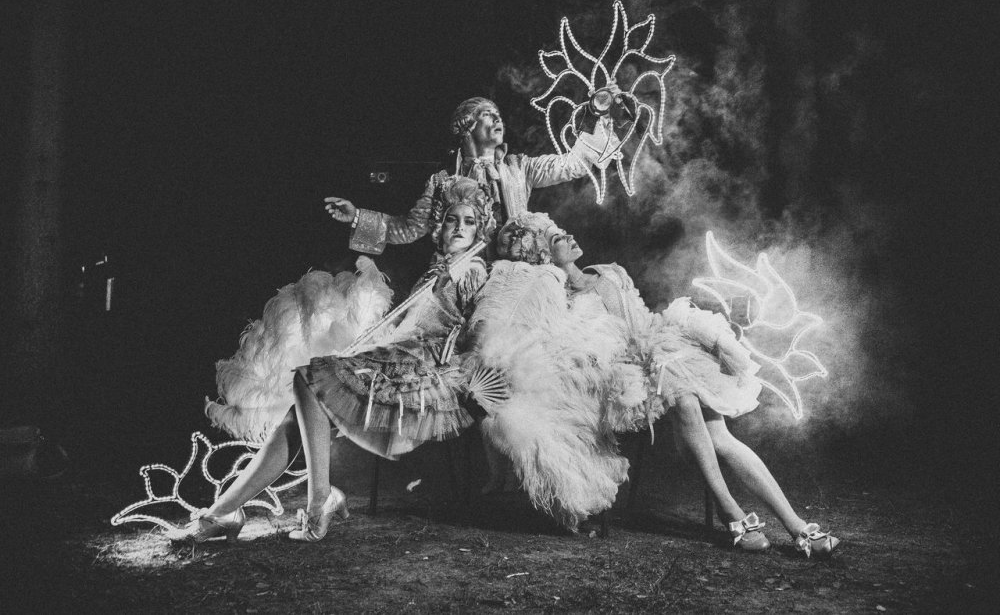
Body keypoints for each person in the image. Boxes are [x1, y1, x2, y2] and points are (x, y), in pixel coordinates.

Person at [493, 212, 840, 558]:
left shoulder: (609, 271)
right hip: (624, 373)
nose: (570, 237)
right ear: (544, 256)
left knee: (719, 435)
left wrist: (660, 346)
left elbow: (641, 317)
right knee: (684, 400)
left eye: (566, 232)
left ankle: (793, 524)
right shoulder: (559, 298)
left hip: (662, 347)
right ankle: (731, 510)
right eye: (558, 239)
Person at [169, 177, 495, 544]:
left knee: (308, 379)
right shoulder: (437, 267)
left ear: (480, 229)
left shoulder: (472, 271)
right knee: (295, 415)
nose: (460, 228)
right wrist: (357, 218)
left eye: (469, 222)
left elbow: (479, 328)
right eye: (452, 219)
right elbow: (404, 230)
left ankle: (318, 501)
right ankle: (225, 511)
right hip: (391, 354)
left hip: (418, 369)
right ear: (439, 225)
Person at [324, 97, 617, 256]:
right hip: (463, 278)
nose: (498, 118)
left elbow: (572, 165)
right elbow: (409, 229)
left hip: (517, 274)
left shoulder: (520, 167)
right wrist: (357, 217)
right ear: (466, 127)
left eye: (498, 114)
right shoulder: (442, 181)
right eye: (488, 114)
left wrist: (594, 113)